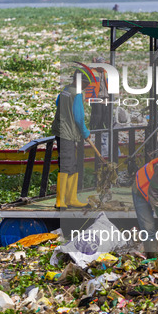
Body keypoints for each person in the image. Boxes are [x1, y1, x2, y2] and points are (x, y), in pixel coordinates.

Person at [51, 67, 95, 210]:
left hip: (61, 130)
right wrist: (85, 132)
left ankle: (71, 199)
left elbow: (58, 103)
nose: (85, 88)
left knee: (72, 165)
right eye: (86, 85)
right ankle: (60, 201)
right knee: (66, 165)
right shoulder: (76, 94)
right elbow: (79, 117)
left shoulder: (65, 90)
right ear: (81, 82)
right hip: (67, 134)